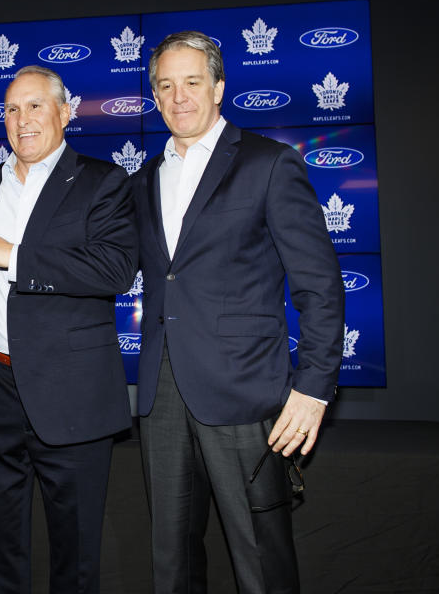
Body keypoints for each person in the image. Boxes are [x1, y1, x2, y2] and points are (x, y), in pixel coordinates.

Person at [132, 31, 345, 593]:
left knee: (260, 561)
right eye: (166, 85)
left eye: (193, 83)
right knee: (170, 562)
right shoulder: (142, 181)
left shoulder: (269, 165)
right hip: (161, 394)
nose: (179, 97)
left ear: (220, 86)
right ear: (154, 96)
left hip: (246, 393)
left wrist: (315, 387)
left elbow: (320, 286)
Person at [0, 65, 138, 593]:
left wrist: (13, 256)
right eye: (12, 109)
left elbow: (113, 270)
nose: (23, 120)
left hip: (72, 394)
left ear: (65, 112)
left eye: (36, 106)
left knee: (76, 551)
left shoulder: (103, 181)